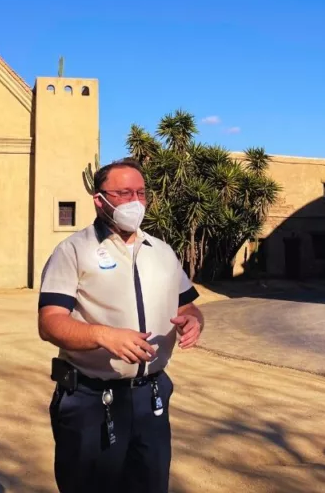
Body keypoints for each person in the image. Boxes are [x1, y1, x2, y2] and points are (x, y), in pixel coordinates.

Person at [37, 158, 204, 493]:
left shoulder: (162, 251)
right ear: (100, 200)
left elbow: (188, 305)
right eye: (125, 193)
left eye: (141, 193)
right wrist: (102, 336)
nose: (136, 202)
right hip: (91, 400)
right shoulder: (72, 251)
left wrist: (193, 321)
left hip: (151, 398)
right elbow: (50, 322)